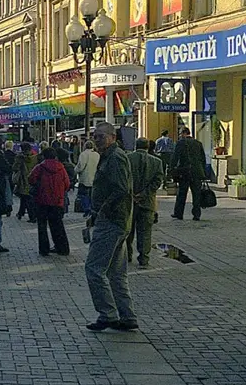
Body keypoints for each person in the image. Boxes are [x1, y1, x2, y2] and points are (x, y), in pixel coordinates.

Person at [84, 122, 137, 332]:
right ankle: (127, 315)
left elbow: (120, 189)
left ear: (112, 137)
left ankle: (107, 314)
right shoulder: (109, 156)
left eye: (100, 136)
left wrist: (102, 210)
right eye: (95, 136)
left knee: (94, 269)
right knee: (115, 273)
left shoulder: (115, 158)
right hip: (117, 220)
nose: (96, 140)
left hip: (113, 220)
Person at [127, 138, 164, 268]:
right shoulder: (157, 162)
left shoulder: (127, 159)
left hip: (129, 203)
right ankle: (144, 259)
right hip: (147, 202)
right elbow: (157, 182)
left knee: (128, 231)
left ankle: (127, 255)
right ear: (148, 147)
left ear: (136, 146)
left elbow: (123, 178)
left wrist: (132, 194)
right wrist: (144, 194)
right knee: (145, 232)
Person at [29, 147, 71, 256]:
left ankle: (44, 249)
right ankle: (62, 248)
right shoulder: (61, 168)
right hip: (57, 201)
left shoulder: (40, 167)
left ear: (44, 156)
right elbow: (67, 184)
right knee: (57, 224)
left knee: (42, 226)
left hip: (42, 200)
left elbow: (31, 179)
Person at [170, 127, 207, 220]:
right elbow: (203, 159)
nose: (180, 136)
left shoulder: (181, 143)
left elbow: (175, 157)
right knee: (196, 194)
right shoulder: (198, 143)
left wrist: (172, 169)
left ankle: (178, 213)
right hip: (197, 172)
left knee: (182, 193)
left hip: (185, 172)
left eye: (180, 134)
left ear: (183, 133)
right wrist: (203, 173)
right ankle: (196, 214)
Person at [13, 142, 38, 222]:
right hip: (33, 180)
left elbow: (15, 168)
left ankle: (32, 217)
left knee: (26, 198)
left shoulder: (20, 158)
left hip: (23, 180)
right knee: (28, 198)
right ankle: (21, 213)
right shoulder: (35, 157)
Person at [74, 141, 99, 217]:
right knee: (92, 195)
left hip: (85, 178)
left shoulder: (83, 154)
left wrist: (75, 170)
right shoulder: (97, 155)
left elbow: (80, 166)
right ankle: (92, 209)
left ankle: (87, 209)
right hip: (94, 178)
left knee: (83, 195)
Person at [55, 147, 77, 214]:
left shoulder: (58, 166)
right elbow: (73, 177)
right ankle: (64, 208)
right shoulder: (70, 166)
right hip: (65, 186)